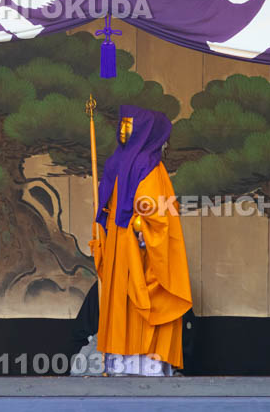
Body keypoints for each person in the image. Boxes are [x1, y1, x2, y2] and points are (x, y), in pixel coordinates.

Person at [92, 105, 192, 376]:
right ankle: (149, 365)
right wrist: (142, 227)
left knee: (121, 302)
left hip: (117, 244)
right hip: (138, 247)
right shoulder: (148, 165)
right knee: (149, 300)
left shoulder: (116, 161)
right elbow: (154, 212)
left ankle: (120, 363)